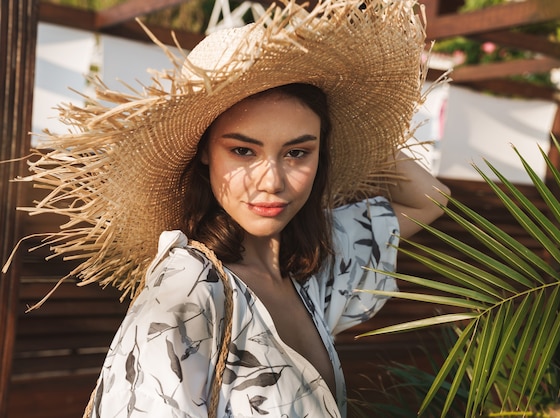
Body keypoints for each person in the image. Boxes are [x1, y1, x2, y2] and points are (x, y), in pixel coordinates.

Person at [13, 0, 449, 416]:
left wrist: (352, 129)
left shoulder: (313, 270)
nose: (272, 181)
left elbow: (430, 199)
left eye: (297, 153)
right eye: (243, 151)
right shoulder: (187, 291)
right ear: (204, 151)